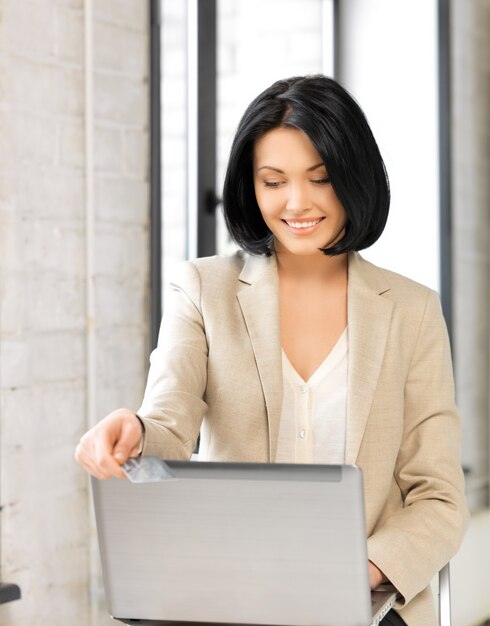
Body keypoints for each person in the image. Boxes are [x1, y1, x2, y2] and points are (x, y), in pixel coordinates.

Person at [75, 75, 468, 626]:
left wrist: (365, 567)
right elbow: (168, 424)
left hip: (363, 603)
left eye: (321, 178)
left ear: (353, 178)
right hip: (233, 598)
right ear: (250, 187)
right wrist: (131, 429)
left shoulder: (413, 310)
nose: (297, 202)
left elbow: (439, 497)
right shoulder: (202, 290)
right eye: (273, 181)